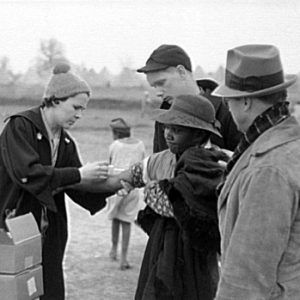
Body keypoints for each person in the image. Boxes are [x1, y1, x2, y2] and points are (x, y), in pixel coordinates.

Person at [95, 94, 227, 299]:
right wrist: (75, 179)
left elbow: (199, 209)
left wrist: (155, 192)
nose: (168, 135)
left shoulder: (215, 165)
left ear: (199, 135)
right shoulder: (160, 160)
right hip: (162, 247)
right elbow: (123, 178)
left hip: (196, 256)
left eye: (178, 130)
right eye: (167, 127)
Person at [0, 63, 110, 300]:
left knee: (51, 291)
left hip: (50, 231)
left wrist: (119, 183)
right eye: (76, 107)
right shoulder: (20, 126)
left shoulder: (66, 142)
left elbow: (77, 188)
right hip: (15, 223)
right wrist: (80, 174)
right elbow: (27, 173)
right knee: (16, 291)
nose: (79, 115)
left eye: (83, 110)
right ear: (54, 100)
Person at [211, 44, 300, 299]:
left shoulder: (268, 169)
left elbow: (246, 278)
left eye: (230, 102)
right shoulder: (287, 147)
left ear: (247, 102)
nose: (229, 110)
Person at [137, 44, 241, 153]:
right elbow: (159, 163)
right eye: (154, 86)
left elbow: (243, 164)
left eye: (161, 83)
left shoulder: (227, 110)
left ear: (181, 72)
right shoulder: (165, 113)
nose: (158, 92)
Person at [106, 117, 146, 270]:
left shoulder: (114, 145)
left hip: (116, 185)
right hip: (133, 186)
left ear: (115, 133)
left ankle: (113, 250)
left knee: (115, 217)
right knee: (126, 220)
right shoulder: (140, 144)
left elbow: (110, 163)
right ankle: (124, 258)